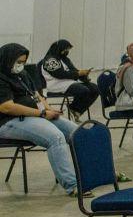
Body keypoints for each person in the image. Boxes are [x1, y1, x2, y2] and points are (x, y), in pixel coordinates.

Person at [0, 43, 84, 195]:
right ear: (7, 60)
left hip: (34, 116)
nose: (21, 65)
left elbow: (37, 95)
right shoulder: (1, 78)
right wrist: (42, 114)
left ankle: (95, 173)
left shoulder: (22, 74)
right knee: (55, 137)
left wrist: (48, 109)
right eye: (18, 62)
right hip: (9, 122)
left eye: (23, 62)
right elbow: (7, 107)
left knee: (78, 133)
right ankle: (72, 185)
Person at [40, 39, 99, 122]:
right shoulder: (50, 60)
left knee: (95, 88)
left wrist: (83, 76)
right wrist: (78, 74)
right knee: (83, 90)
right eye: (66, 49)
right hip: (55, 83)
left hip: (68, 82)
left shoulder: (65, 59)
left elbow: (73, 71)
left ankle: (77, 111)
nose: (67, 51)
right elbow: (60, 74)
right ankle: (73, 108)